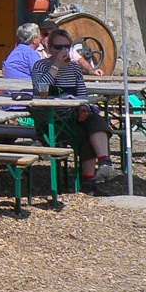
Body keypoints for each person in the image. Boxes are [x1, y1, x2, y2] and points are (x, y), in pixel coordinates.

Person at [30, 28, 119, 188]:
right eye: (58, 47)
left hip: (72, 115)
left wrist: (84, 107)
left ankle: (105, 163)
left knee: (94, 118)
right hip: (51, 120)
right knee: (84, 135)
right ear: (49, 49)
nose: (63, 50)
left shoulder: (75, 68)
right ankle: (89, 182)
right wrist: (56, 66)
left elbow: (82, 94)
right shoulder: (40, 66)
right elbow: (40, 90)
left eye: (67, 46)